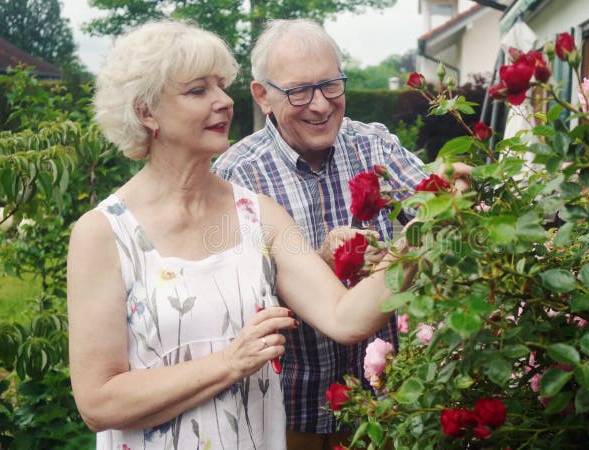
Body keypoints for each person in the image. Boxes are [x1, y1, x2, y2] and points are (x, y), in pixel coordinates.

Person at [67, 20, 412, 450]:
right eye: (198, 91)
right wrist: (230, 362)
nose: (224, 101)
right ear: (146, 112)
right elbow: (98, 402)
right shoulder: (104, 233)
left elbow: (344, 317)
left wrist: (417, 240)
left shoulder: (258, 215)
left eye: (221, 86)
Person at [212, 18, 470, 450]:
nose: (320, 105)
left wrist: (452, 190)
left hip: (387, 403)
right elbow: (229, 308)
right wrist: (318, 263)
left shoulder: (375, 147)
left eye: (331, 85)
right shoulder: (237, 175)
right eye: (299, 91)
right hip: (291, 414)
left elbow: (439, 212)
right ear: (264, 96)